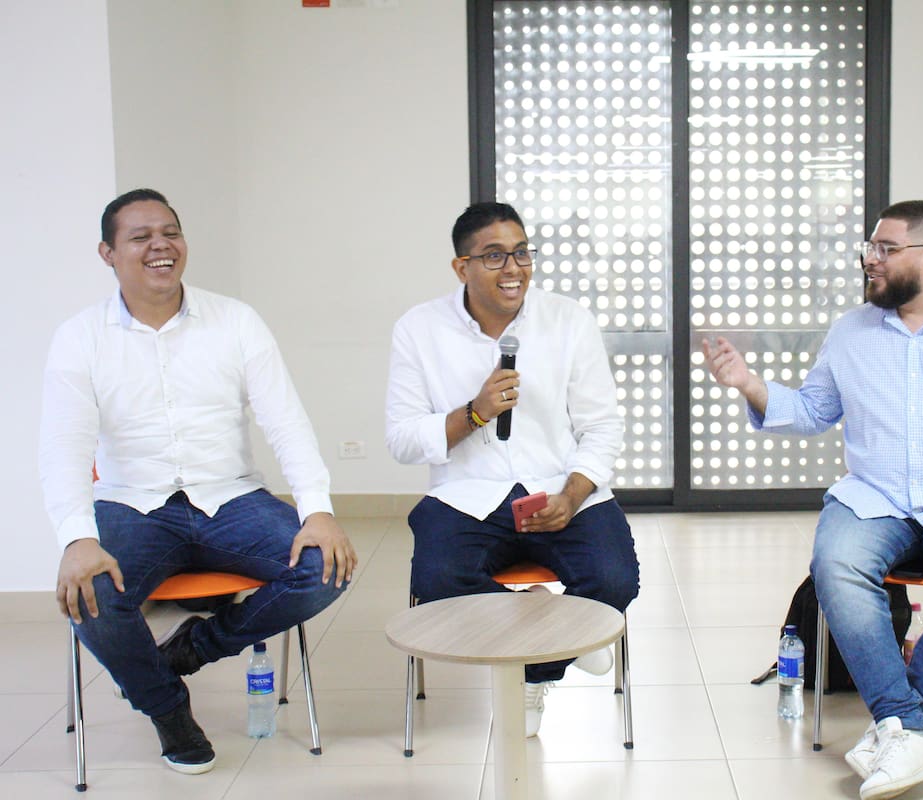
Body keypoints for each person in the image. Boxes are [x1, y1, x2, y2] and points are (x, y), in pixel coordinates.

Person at [704, 200, 923, 800]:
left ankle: (898, 724)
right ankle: (906, 724)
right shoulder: (851, 332)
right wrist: (750, 385)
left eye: (884, 249)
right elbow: (814, 411)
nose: (870, 260)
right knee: (835, 567)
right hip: (877, 498)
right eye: (870, 248)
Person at [40, 188, 357, 775]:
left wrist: (317, 509)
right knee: (89, 597)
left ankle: (190, 649)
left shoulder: (235, 320)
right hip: (131, 503)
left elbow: (286, 421)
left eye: (171, 232)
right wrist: (76, 536)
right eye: (140, 237)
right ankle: (168, 709)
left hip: (230, 497)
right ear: (108, 253)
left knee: (323, 567)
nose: (160, 245)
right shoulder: (80, 336)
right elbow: (63, 446)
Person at [385, 201, 639, 738]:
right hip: (464, 495)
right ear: (463, 267)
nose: (514, 269)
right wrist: (474, 414)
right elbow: (404, 440)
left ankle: (531, 676)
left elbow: (602, 427)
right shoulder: (419, 329)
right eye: (495, 256)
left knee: (614, 577)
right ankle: (555, 631)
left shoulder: (568, 320)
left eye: (522, 253)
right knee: (437, 580)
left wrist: (572, 496)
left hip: (559, 487)